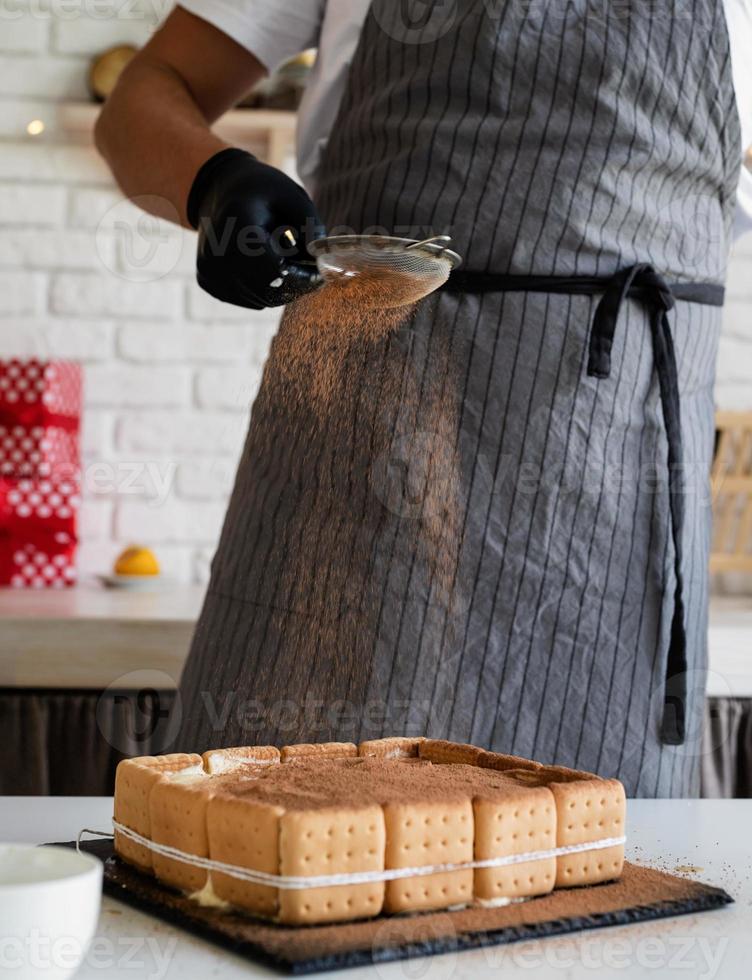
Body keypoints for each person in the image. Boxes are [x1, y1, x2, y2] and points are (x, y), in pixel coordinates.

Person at [96, 0, 752, 796]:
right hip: (364, 461)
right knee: (276, 837)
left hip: (614, 486)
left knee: (611, 878)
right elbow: (143, 97)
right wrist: (215, 183)